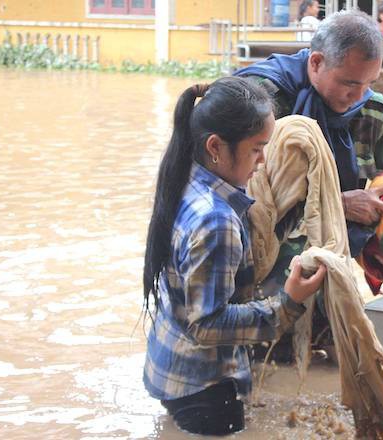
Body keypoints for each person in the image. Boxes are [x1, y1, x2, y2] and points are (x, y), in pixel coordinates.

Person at [235, 10, 383, 359]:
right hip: (257, 281)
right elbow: (234, 198)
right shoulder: (259, 102)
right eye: (349, 83)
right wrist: (336, 203)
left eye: (369, 83)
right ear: (316, 62)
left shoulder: (371, 113)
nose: (358, 95)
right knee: (261, 370)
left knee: (334, 372)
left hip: (328, 274)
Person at [142, 77, 327, 436]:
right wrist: (288, 302)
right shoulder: (217, 221)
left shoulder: (183, 180)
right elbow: (207, 325)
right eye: (257, 149)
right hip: (204, 387)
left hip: (170, 368)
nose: (263, 162)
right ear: (216, 147)